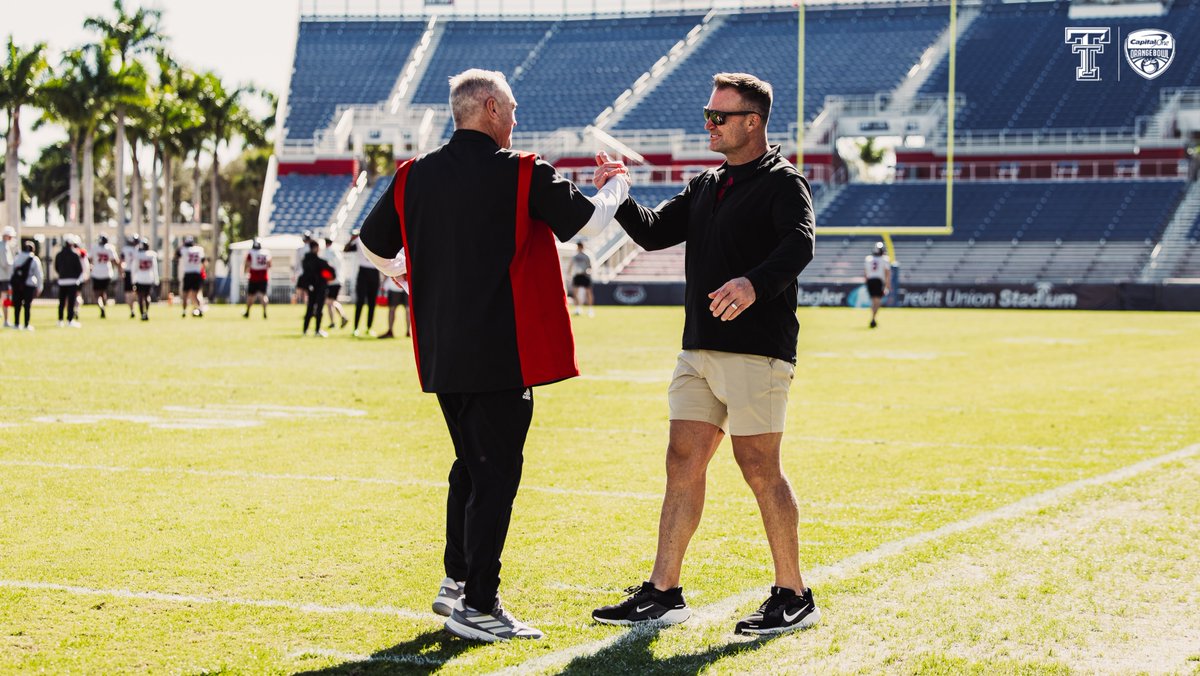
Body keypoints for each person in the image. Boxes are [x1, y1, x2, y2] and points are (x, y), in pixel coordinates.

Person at [358, 68, 629, 642]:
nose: (515, 118)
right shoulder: (523, 170)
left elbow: (371, 243)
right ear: (487, 107)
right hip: (502, 352)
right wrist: (618, 184)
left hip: (442, 352)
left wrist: (406, 274)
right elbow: (586, 224)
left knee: (471, 467)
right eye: (511, 107)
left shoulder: (413, 175)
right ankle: (478, 602)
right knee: (496, 474)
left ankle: (457, 582)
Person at [591, 73, 819, 636]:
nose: (710, 125)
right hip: (698, 349)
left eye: (720, 116)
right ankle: (663, 592)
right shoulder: (705, 185)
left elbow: (801, 243)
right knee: (682, 461)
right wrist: (617, 192)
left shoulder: (783, 182)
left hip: (757, 350)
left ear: (753, 122)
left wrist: (753, 284)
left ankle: (793, 594)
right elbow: (649, 233)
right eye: (707, 115)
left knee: (759, 467)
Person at [346, 230, 380, 337]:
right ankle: (355, 327)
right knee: (360, 301)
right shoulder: (358, 241)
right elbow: (346, 249)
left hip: (374, 271)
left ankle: (369, 327)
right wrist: (351, 239)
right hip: (363, 272)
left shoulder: (379, 240)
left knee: (372, 303)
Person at [299, 239, 334, 337]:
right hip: (320, 287)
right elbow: (332, 273)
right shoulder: (321, 262)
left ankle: (305, 330)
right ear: (316, 248)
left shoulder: (305, 260)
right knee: (319, 309)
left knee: (309, 308)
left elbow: (304, 275)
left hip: (311, 287)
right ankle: (317, 330)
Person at [9, 241, 43, 330]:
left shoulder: (17, 257)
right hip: (29, 285)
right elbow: (39, 274)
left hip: (17, 285)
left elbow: (12, 272)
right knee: (27, 305)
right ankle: (26, 324)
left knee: (17, 305)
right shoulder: (34, 259)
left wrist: (10, 285)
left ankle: (16, 324)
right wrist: (40, 287)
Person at [54, 236, 86, 328]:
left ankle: (60, 320)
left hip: (62, 281)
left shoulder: (59, 254)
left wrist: (62, 275)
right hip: (72, 282)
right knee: (71, 302)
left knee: (61, 302)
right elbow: (79, 269)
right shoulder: (75, 255)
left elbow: (56, 267)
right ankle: (69, 320)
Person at [176, 235, 208, 317]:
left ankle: (184, 311)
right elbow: (204, 263)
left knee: (185, 294)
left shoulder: (184, 249)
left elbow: (177, 255)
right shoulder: (199, 249)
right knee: (195, 295)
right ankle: (199, 309)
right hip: (197, 274)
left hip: (188, 273)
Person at [322, 237, 349, 329]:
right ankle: (334, 321)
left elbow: (327, 267)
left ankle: (341, 317)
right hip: (338, 280)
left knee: (330, 302)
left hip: (332, 280)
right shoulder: (337, 252)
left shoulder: (328, 252)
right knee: (331, 302)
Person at [131, 238, 160, 321]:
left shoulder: (138, 255)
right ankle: (146, 312)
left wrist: (133, 280)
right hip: (149, 279)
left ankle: (142, 314)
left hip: (140, 279)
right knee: (147, 296)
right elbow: (155, 268)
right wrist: (156, 280)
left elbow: (134, 268)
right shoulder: (151, 255)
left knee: (140, 297)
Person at [90, 235, 119, 318]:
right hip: (107, 273)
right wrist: (120, 270)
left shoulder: (94, 248)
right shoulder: (110, 248)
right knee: (103, 292)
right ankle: (103, 307)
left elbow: (90, 259)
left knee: (97, 294)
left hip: (96, 273)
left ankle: (101, 307)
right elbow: (114, 261)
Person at [865, 241, 891, 328]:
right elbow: (887, 273)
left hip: (870, 281)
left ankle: (873, 318)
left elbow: (865, 273)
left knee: (873, 301)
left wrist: (866, 283)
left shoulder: (868, 259)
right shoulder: (884, 259)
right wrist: (887, 285)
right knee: (877, 301)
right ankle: (873, 319)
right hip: (878, 281)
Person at [243, 239, 272, 319]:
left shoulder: (251, 252)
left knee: (250, 296)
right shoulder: (266, 252)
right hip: (263, 276)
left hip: (253, 276)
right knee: (263, 296)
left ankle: (247, 312)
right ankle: (265, 312)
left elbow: (247, 263)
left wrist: (245, 272)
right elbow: (269, 265)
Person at [377, 274, 408, 339]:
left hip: (400, 284)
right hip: (403, 284)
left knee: (394, 309)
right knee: (406, 310)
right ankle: (407, 331)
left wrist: (383, 282)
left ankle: (391, 331)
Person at [568, 240, 595, 317]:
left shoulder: (587, 256)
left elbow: (591, 267)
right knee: (575, 292)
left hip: (585, 276)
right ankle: (578, 308)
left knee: (588, 293)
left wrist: (588, 271)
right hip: (577, 275)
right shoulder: (575, 256)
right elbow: (571, 265)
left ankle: (590, 309)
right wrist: (569, 274)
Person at [121, 235, 139, 318]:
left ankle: (132, 309)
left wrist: (121, 271)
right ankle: (133, 308)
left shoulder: (125, 249)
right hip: (136, 272)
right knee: (134, 292)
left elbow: (122, 262)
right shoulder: (138, 250)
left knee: (129, 292)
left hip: (129, 272)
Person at [293, 230, 313, 305]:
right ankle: (308, 305)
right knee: (308, 292)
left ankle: (303, 304)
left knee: (300, 291)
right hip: (311, 273)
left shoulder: (300, 249)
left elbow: (297, 262)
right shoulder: (312, 248)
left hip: (302, 273)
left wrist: (295, 273)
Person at [0, 226, 15, 328]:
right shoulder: (4, 246)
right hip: (4, 277)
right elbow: (6, 263)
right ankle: (6, 321)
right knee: (5, 299)